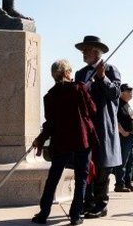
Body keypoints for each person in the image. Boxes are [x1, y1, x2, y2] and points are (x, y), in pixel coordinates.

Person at [31, 59, 97, 226]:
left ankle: (43, 213)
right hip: (80, 141)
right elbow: (92, 110)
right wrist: (85, 91)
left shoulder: (50, 96)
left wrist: (40, 139)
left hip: (61, 143)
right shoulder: (79, 88)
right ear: (67, 73)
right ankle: (75, 215)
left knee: (53, 178)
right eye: (70, 70)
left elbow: (50, 123)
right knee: (81, 178)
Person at [73, 35, 122, 219]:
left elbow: (115, 94)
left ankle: (101, 204)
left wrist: (102, 78)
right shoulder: (80, 73)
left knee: (102, 168)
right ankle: (88, 202)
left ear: (96, 51)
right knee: (86, 167)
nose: (83, 53)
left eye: (86, 50)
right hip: (86, 128)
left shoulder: (110, 70)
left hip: (103, 127)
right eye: (83, 50)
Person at [114, 83, 133, 192]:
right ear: (122, 92)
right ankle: (120, 184)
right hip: (123, 136)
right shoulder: (118, 104)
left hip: (131, 136)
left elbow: (130, 118)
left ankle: (128, 183)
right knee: (123, 161)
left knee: (130, 161)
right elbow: (115, 119)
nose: (131, 93)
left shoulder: (127, 105)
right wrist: (123, 131)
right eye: (129, 91)